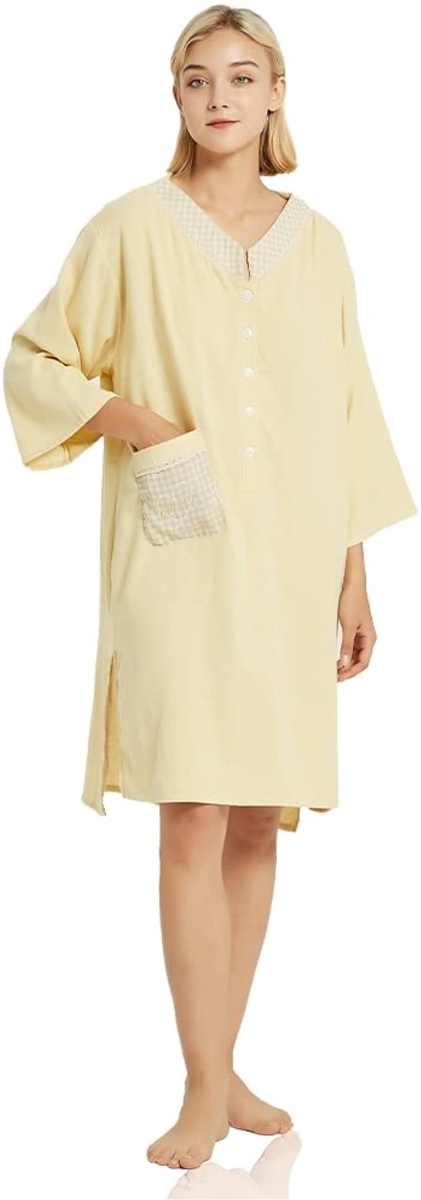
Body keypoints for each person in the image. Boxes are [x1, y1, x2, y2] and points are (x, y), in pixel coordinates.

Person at [3, 2, 417, 1174]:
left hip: (292, 563)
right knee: (190, 807)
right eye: (196, 78)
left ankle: (226, 1062)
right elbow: (34, 358)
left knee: (253, 815)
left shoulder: (320, 243)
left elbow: (347, 411)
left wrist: (353, 575)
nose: (219, 95)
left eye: (241, 75)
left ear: (277, 93)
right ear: (175, 99)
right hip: (178, 556)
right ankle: (198, 1085)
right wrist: (144, 425)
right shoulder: (130, 227)